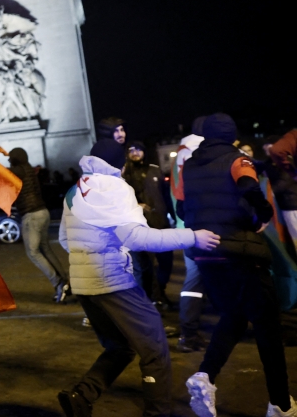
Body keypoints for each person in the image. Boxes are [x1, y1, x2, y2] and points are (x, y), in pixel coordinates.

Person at [57, 139, 219, 417]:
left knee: (120, 347)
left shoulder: (75, 189)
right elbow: (137, 237)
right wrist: (192, 236)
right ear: (118, 164)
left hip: (83, 283)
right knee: (154, 346)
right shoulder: (116, 188)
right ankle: (158, 412)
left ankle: (81, 396)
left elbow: (63, 239)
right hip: (112, 282)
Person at [182, 114, 295, 417]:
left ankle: (205, 375)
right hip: (242, 254)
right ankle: (281, 404)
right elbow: (248, 187)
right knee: (268, 328)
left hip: (207, 254)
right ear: (231, 135)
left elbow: (182, 205)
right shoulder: (238, 159)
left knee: (234, 316)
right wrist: (263, 214)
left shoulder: (190, 164)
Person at [9, 147, 70, 303]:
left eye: (11, 158)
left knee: (33, 252)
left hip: (32, 216)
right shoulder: (28, 169)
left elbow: (0, 173)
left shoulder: (18, 170)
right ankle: (64, 281)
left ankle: (58, 282)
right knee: (45, 249)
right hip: (43, 212)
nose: (9, 160)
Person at [123, 140, 175, 307]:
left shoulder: (155, 170)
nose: (135, 152)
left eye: (138, 149)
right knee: (147, 266)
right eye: (131, 150)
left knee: (166, 261)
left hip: (161, 223)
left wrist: (172, 216)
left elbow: (166, 195)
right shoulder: (124, 174)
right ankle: (154, 298)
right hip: (141, 226)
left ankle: (160, 290)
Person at [170, 120, 207, 353]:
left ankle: (189, 331)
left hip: (186, 224)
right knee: (197, 278)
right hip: (201, 225)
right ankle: (189, 332)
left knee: (195, 279)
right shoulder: (198, 154)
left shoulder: (181, 154)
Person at [267, 130, 297, 243]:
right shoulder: (268, 164)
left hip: (292, 205)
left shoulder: (294, 135)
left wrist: (292, 172)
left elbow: (277, 150)